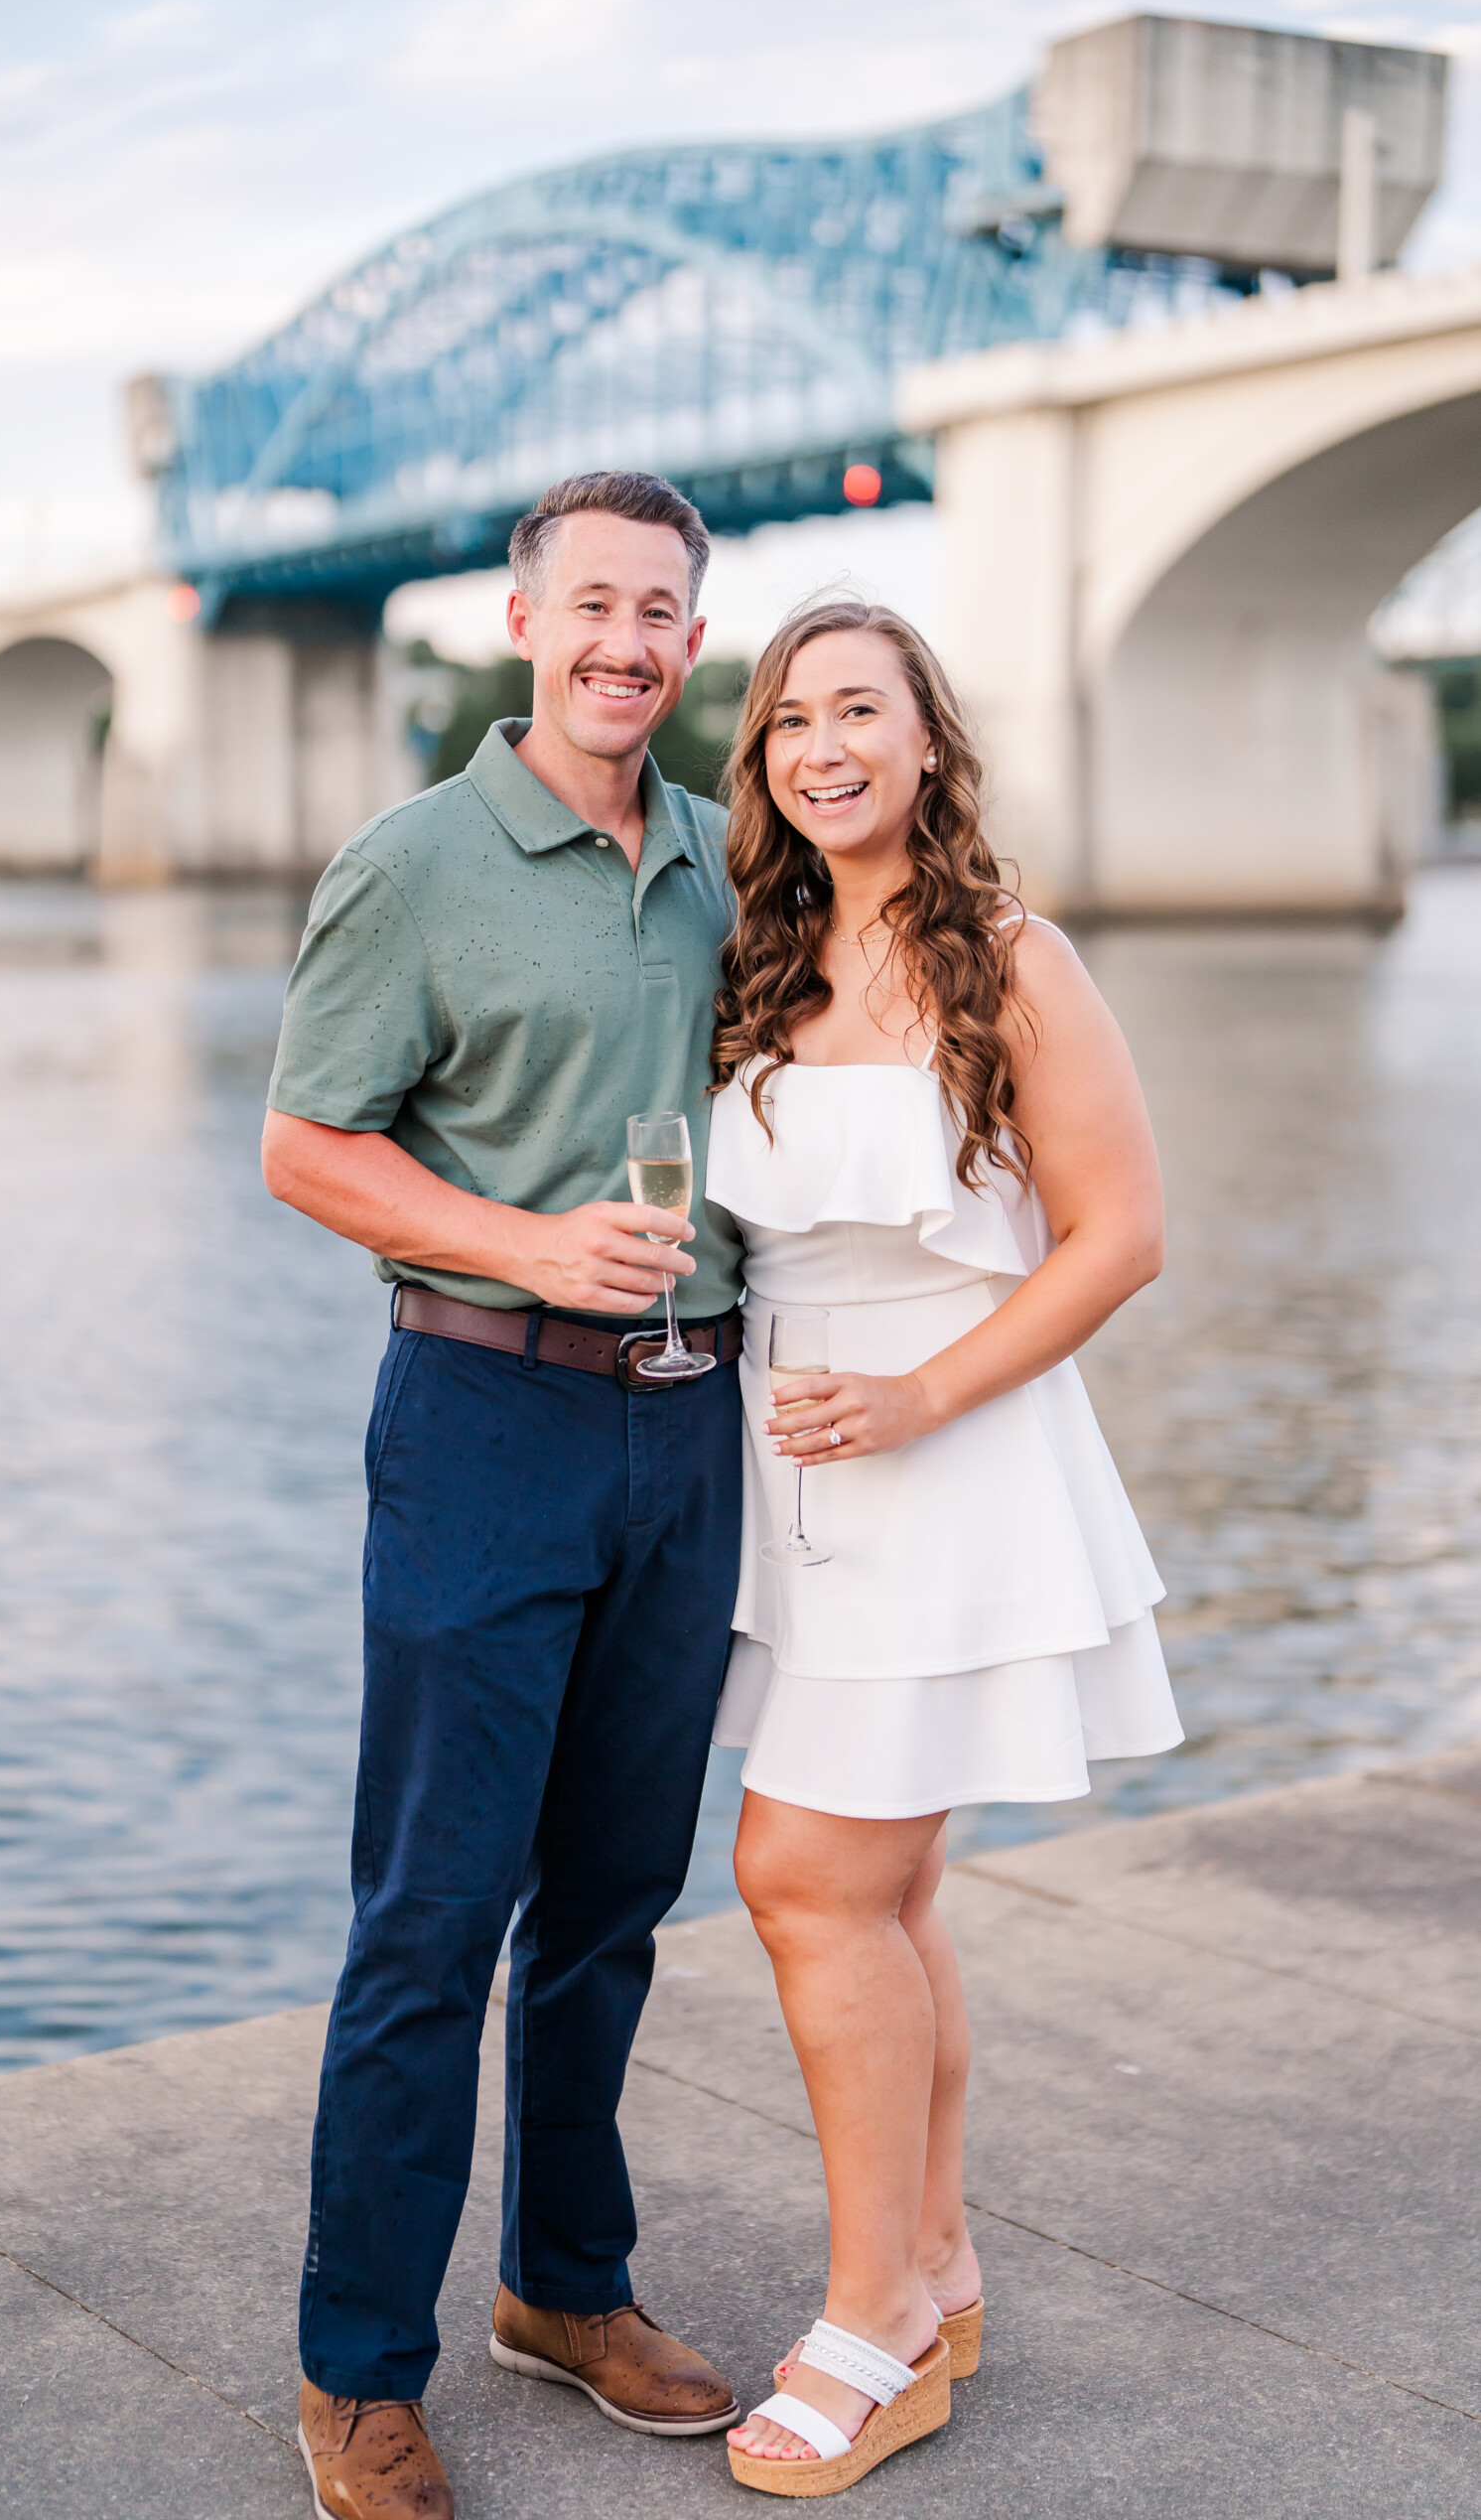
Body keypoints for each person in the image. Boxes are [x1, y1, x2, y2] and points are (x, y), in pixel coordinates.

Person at [261, 471, 748, 2520]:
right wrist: (526, 1243)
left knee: (615, 1904)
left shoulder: (737, 859)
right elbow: (305, 1145)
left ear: (690, 644)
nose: (624, 641)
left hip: (694, 1426)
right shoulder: (415, 861)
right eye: (591, 605)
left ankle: (565, 2283)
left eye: (659, 611)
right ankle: (358, 2364)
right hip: (487, 1416)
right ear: (522, 621)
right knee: (434, 1913)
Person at [702, 599, 1183, 2496]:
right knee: (887, 1899)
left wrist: (918, 1401)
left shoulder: (1014, 957)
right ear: (765, 764)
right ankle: (942, 2259)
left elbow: (1119, 1235)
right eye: (791, 721)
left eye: (859, 713)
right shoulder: (759, 956)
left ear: (926, 742)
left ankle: (873, 2322)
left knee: (803, 1878)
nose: (824, 747)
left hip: (946, 1460)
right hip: (786, 1469)